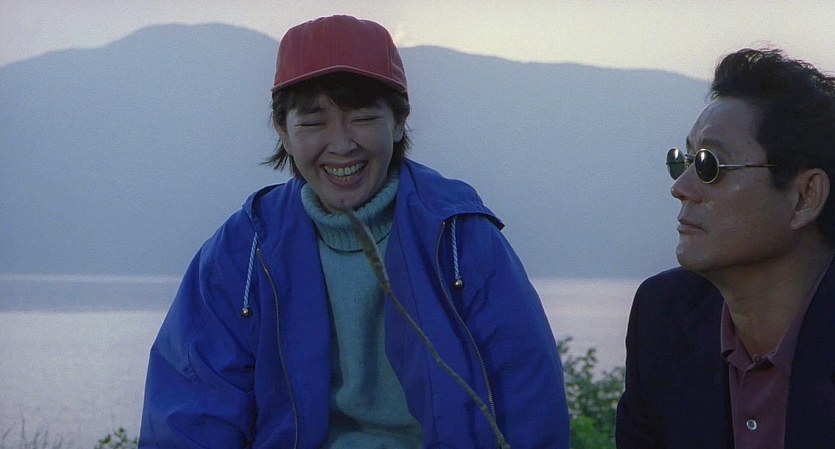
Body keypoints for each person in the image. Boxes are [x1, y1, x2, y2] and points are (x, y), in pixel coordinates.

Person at [139, 15, 569, 449]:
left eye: (362, 117)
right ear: (282, 130)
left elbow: (528, 395)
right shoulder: (244, 253)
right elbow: (191, 412)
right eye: (313, 123)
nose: (341, 144)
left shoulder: (459, 239)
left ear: (398, 121)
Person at [616, 47, 835, 449]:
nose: (680, 188)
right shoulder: (665, 316)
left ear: (804, 197)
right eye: (682, 161)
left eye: (709, 165)